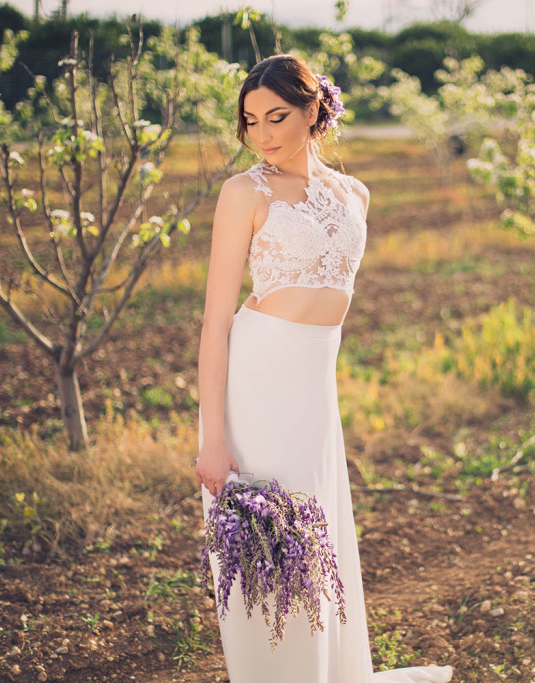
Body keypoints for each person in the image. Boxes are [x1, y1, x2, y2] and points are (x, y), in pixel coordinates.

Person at [193, 54, 453, 683]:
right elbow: (215, 321)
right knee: (271, 548)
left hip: (315, 386)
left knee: (318, 537)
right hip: (258, 381)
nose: (263, 134)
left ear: (314, 110)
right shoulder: (243, 193)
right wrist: (212, 439)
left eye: (277, 116)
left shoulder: (354, 193)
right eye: (251, 121)